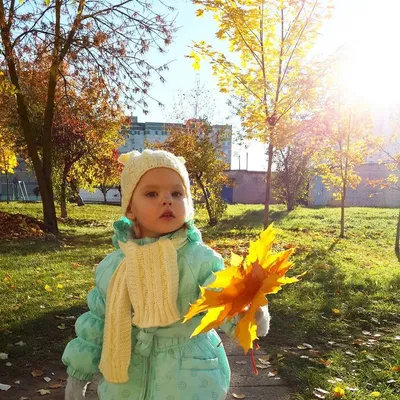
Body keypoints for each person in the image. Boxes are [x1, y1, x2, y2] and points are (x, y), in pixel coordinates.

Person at [62, 149, 270, 400]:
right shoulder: (113, 266)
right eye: (152, 193)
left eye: (177, 193)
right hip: (126, 379)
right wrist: (78, 375)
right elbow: (96, 325)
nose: (167, 200)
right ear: (130, 208)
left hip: (191, 380)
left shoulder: (200, 260)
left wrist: (247, 312)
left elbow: (220, 298)